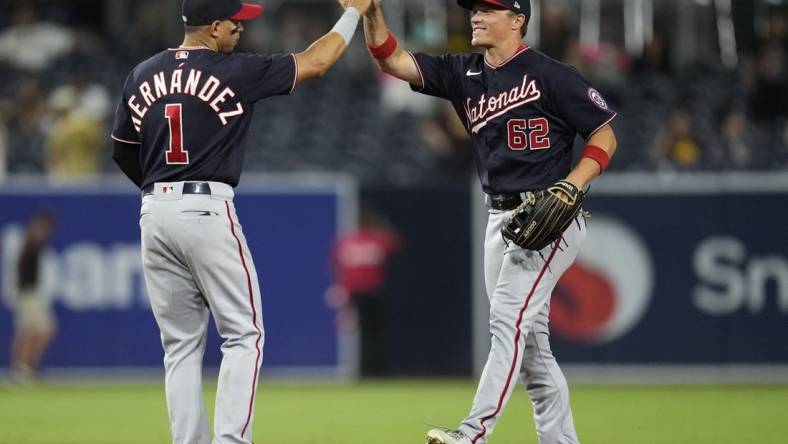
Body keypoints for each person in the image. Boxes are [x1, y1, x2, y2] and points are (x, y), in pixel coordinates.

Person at [109, 0, 371, 443]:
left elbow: (122, 149)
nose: (241, 30)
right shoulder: (233, 70)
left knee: (179, 346)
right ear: (213, 28)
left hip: (154, 210)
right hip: (206, 207)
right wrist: (353, 13)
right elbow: (318, 60)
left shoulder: (143, 73)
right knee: (244, 334)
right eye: (235, 23)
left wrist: (162, 189)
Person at [362, 1, 618, 443]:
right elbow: (391, 58)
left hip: (549, 214)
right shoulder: (462, 72)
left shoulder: (552, 75)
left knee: (505, 320)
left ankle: (472, 433)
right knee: (534, 356)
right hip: (499, 218)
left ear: (517, 20)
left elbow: (605, 133)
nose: (475, 17)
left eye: (489, 10)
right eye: (474, 10)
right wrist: (371, 11)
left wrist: (573, 184)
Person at [325, 206, 399, 376]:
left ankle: (374, 370)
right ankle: (367, 370)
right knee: (364, 333)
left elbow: (336, 264)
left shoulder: (354, 240)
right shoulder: (368, 239)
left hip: (369, 292)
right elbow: (336, 264)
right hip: (359, 293)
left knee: (374, 333)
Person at [9, 209, 57, 384]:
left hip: (31, 294)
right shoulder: (29, 243)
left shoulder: (32, 244)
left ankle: (24, 367)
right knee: (35, 330)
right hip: (28, 294)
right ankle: (22, 368)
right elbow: (19, 272)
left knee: (33, 331)